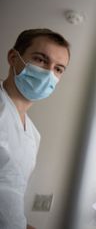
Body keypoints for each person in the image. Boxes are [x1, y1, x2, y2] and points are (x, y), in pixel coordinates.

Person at [0, 28, 70, 229]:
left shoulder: (33, 134)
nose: (49, 73)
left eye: (58, 69)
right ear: (14, 57)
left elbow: (10, 194)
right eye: (40, 60)